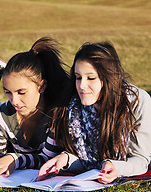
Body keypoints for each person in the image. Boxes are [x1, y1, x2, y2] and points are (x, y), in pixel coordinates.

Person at [37, 41, 151, 184]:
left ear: (109, 78)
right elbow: (89, 161)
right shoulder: (74, 107)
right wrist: (65, 159)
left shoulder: (137, 102)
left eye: (91, 78)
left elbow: (141, 160)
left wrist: (117, 167)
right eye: (78, 77)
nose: (82, 86)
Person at [0, 37, 71, 177]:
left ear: (41, 86)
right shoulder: (3, 114)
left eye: (21, 92)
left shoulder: (56, 116)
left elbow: (47, 159)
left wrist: (15, 159)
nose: (14, 101)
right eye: (8, 92)